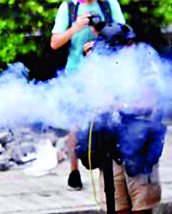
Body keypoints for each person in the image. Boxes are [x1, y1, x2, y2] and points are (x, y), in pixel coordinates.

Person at [80, 23, 164, 214]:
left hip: (140, 150)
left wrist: (118, 104)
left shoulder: (145, 63)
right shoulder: (103, 65)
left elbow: (148, 102)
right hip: (111, 148)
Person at [50, 0, 125, 190]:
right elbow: (55, 43)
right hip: (76, 75)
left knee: (106, 120)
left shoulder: (109, 4)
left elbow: (124, 35)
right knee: (75, 124)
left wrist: (101, 37)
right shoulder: (69, 7)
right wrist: (75, 27)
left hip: (105, 73)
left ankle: (107, 171)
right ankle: (74, 171)